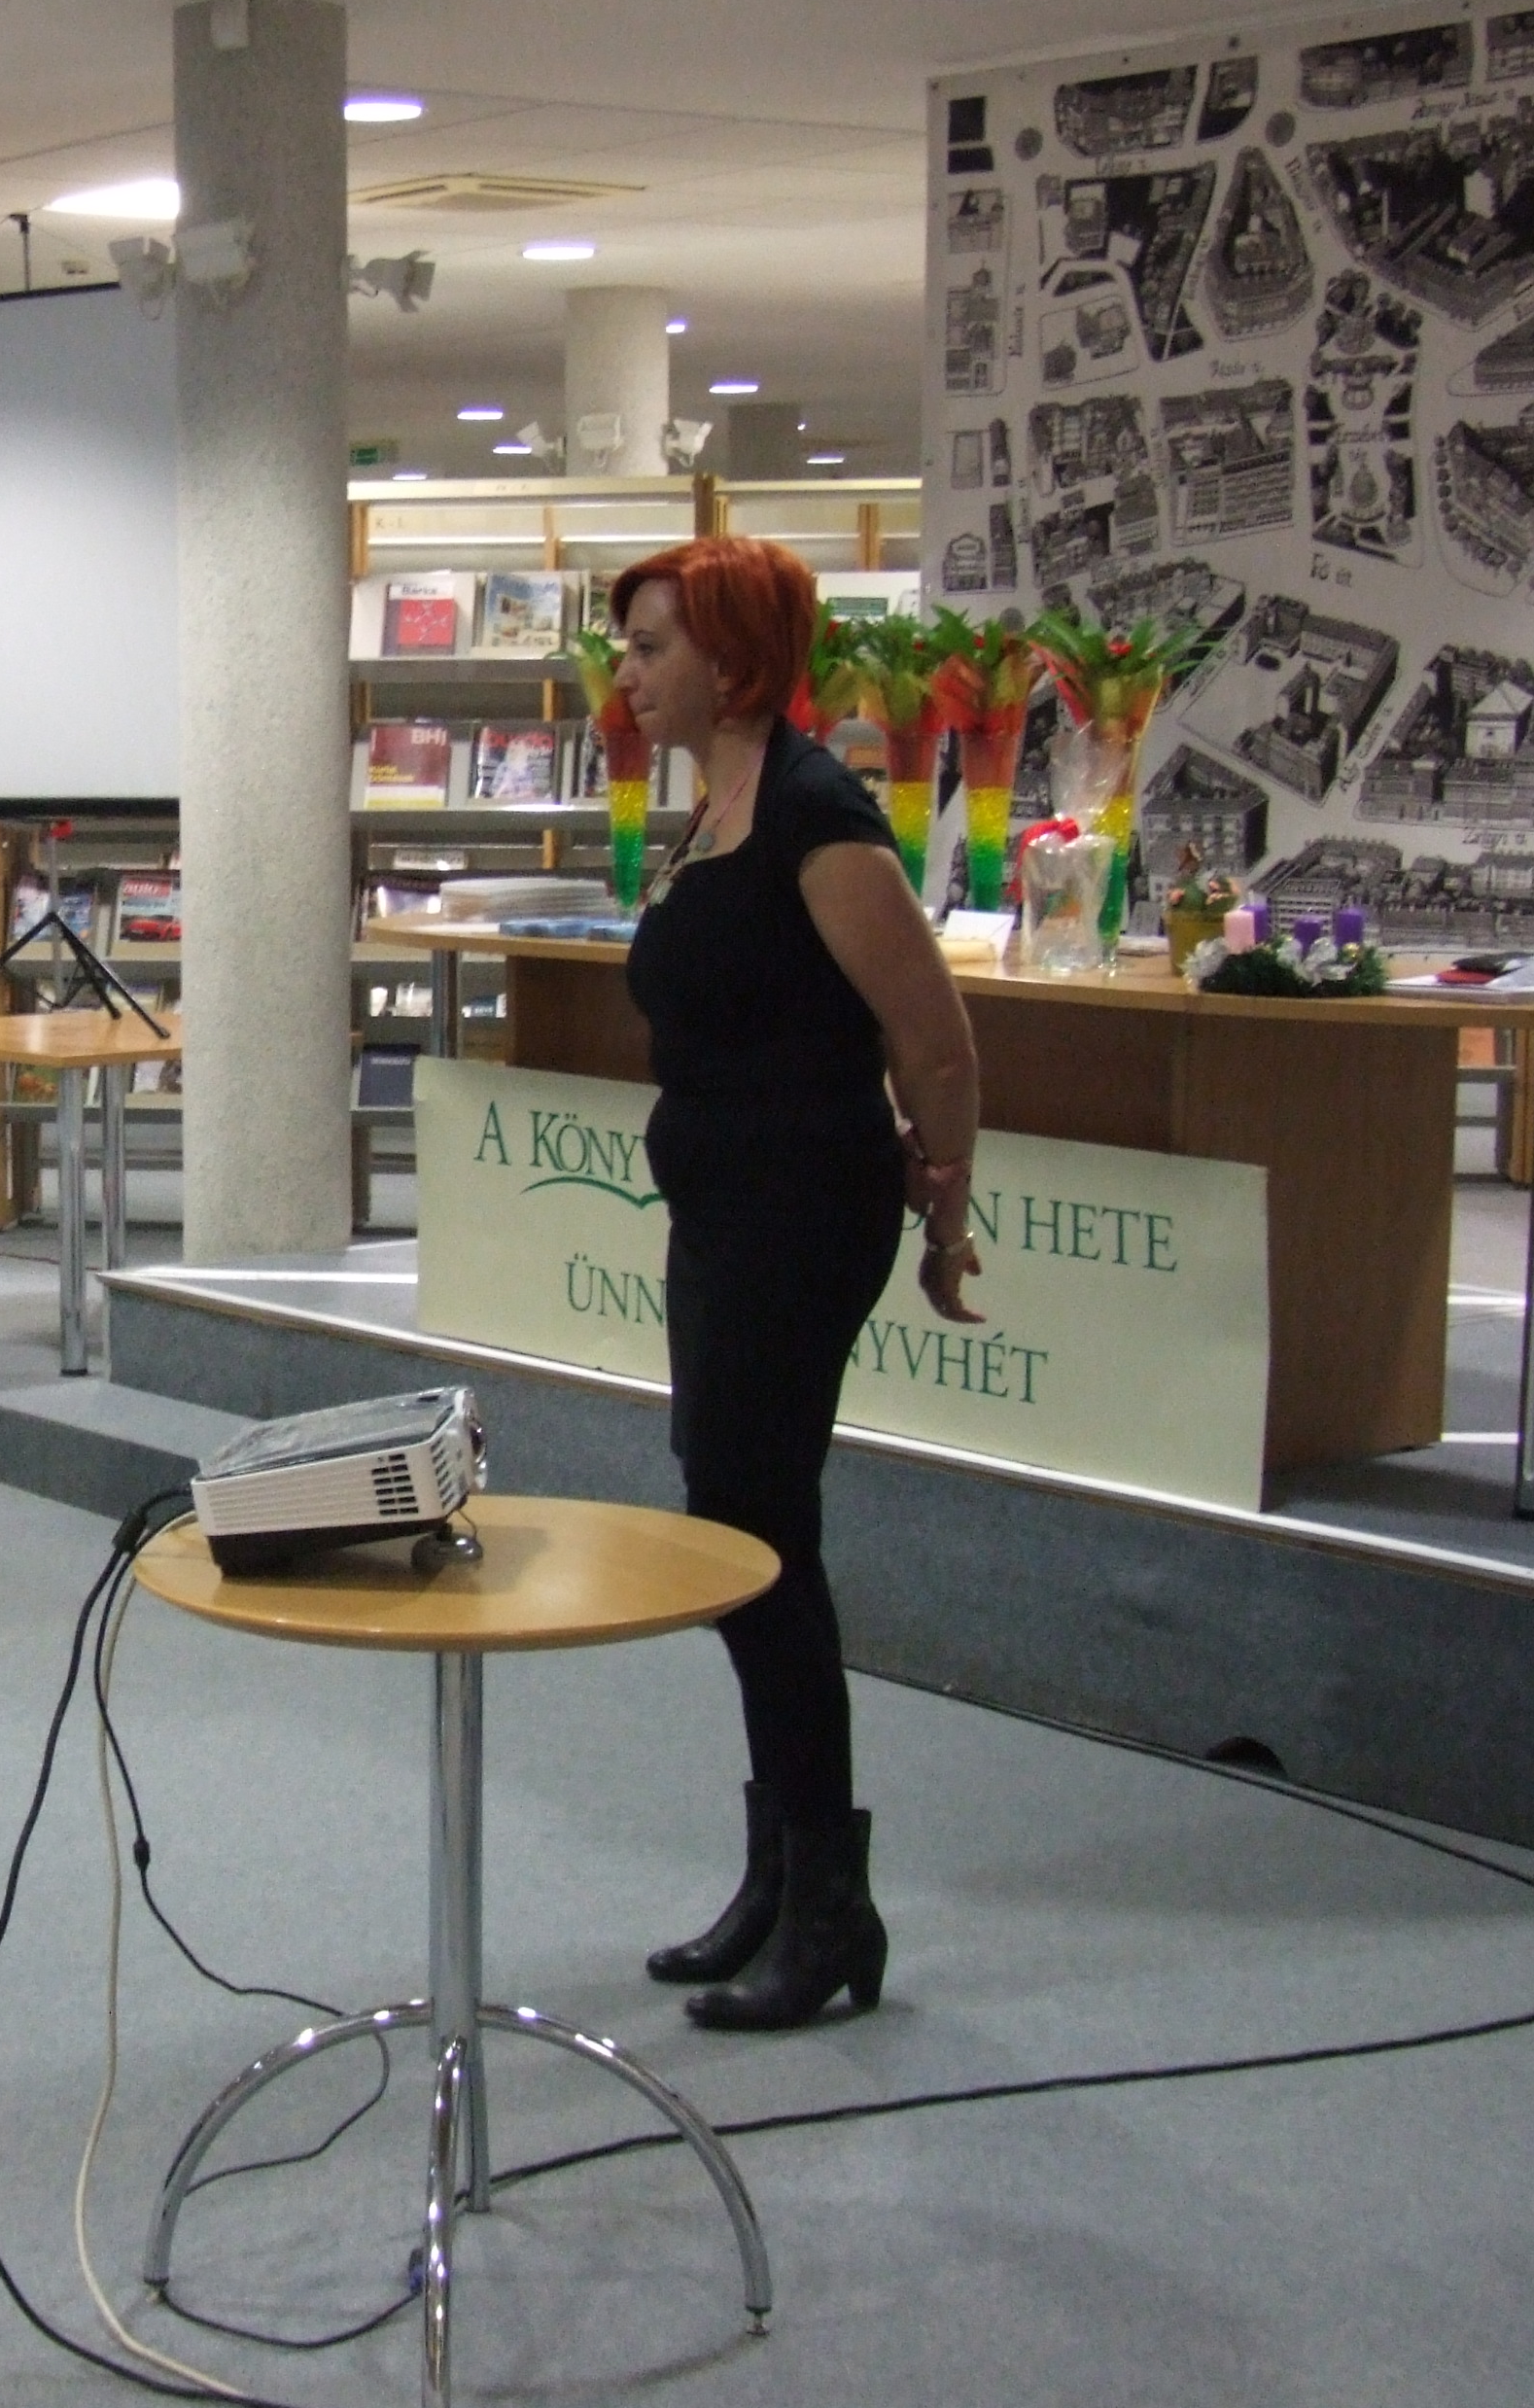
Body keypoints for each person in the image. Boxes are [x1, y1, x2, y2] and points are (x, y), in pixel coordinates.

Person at [611, 540, 983, 2032]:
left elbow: (933, 1039)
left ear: (734, 654)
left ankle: (828, 1903)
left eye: (652, 646)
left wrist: (947, 1214)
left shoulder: (819, 813)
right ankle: (783, 1877)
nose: (628, 674)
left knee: (760, 1546)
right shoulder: (713, 806)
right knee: (737, 1531)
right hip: (725, 1211)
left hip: (803, 1213)